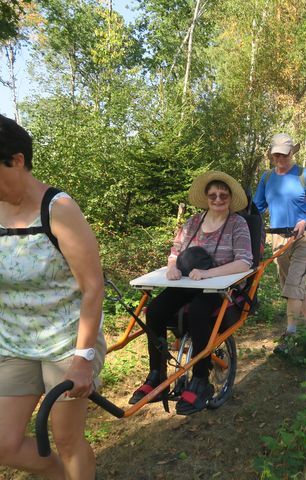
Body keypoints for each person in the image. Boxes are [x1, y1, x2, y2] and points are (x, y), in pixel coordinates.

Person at [0, 114, 106, 479]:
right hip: (13, 343)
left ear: (17, 160)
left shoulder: (58, 209)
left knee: (66, 438)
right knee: (4, 443)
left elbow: (93, 285)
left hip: (66, 342)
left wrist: (82, 358)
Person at [129, 171, 253, 415]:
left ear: (230, 198)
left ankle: (200, 379)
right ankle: (156, 375)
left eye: (223, 195)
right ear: (206, 197)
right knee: (155, 310)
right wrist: (173, 266)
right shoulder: (193, 222)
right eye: (213, 195)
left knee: (199, 311)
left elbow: (244, 262)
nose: (218, 199)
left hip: (220, 287)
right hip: (187, 282)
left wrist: (209, 274)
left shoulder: (237, 224)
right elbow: (175, 250)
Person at [253, 133, 306, 352]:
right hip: (277, 238)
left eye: (284, 155)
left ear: (292, 153)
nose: (280, 159)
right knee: (292, 284)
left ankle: (290, 333)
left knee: (294, 283)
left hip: (304, 236)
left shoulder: (305, 175)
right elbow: (256, 207)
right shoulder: (267, 178)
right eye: (276, 155)